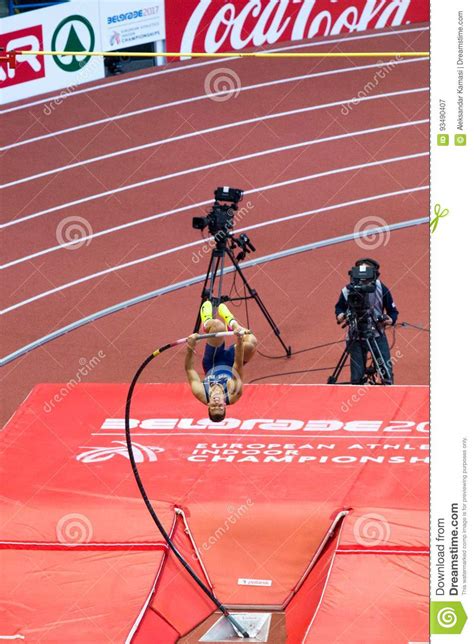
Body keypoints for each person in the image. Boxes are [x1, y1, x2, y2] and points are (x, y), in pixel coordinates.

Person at [185, 301, 258, 421]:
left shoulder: (201, 392)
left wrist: (190, 347)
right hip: (232, 361)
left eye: (214, 406)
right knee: (251, 343)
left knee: (217, 326)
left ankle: (207, 321)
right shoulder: (233, 393)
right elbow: (238, 365)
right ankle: (232, 323)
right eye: (220, 406)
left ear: (208, 406)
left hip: (213, 362)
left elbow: (189, 369)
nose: (217, 402)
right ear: (225, 405)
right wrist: (239, 339)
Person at [335, 258, 398, 384]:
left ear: (374, 275)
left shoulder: (381, 288)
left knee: (386, 370)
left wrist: (391, 319)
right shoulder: (347, 290)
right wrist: (340, 315)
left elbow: (393, 311)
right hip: (356, 335)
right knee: (357, 376)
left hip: (376, 334)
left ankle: (388, 388)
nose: (363, 279)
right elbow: (339, 307)